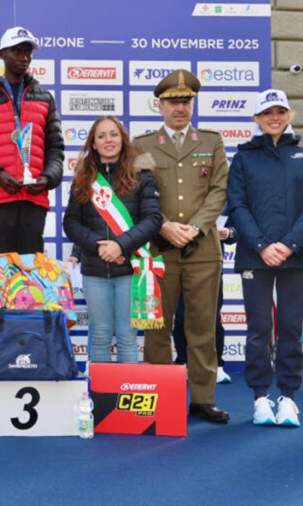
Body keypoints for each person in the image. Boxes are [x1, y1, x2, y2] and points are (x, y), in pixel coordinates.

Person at [134, 69, 230, 423]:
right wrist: (163, 225)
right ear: (159, 105)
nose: (180, 108)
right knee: (157, 328)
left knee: (202, 328)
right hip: (158, 250)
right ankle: (160, 397)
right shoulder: (143, 146)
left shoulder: (211, 141)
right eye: (173, 102)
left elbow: (219, 189)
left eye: (186, 101)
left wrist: (195, 227)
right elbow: (137, 193)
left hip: (202, 250)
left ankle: (203, 399)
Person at [227, 89, 303, 427]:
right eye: (267, 112)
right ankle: (259, 398)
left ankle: (288, 398)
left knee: (291, 329)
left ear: (288, 115)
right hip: (256, 258)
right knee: (258, 330)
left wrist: (290, 244)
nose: (274, 117)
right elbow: (237, 206)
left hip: (296, 258)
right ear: (256, 118)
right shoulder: (243, 158)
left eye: (280, 111)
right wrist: (262, 246)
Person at [63, 116, 161, 363]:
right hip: (95, 270)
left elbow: (152, 220)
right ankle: (100, 399)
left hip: (130, 268)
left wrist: (120, 245)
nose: (109, 140)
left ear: (122, 138)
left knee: (127, 336)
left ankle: (126, 396)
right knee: (100, 335)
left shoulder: (142, 175)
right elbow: (71, 222)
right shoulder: (84, 178)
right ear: (93, 144)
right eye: (102, 136)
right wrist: (100, 246)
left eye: (113, 134)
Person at [0, 26, 64, 262]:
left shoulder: (44, 97)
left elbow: (56, 150)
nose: (24, 57)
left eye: (28, 52)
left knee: (30, 282)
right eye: (17, 51)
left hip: (33, 199)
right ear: (2, 54)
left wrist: (48, 178)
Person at [171, 223, 233, 383]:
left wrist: (230, 232)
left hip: (212, 262)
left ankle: (217, 365)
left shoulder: (219, 199)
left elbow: (236, 228)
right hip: (180, 259)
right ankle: (183, 363)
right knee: (181, 315)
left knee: (213, 316)